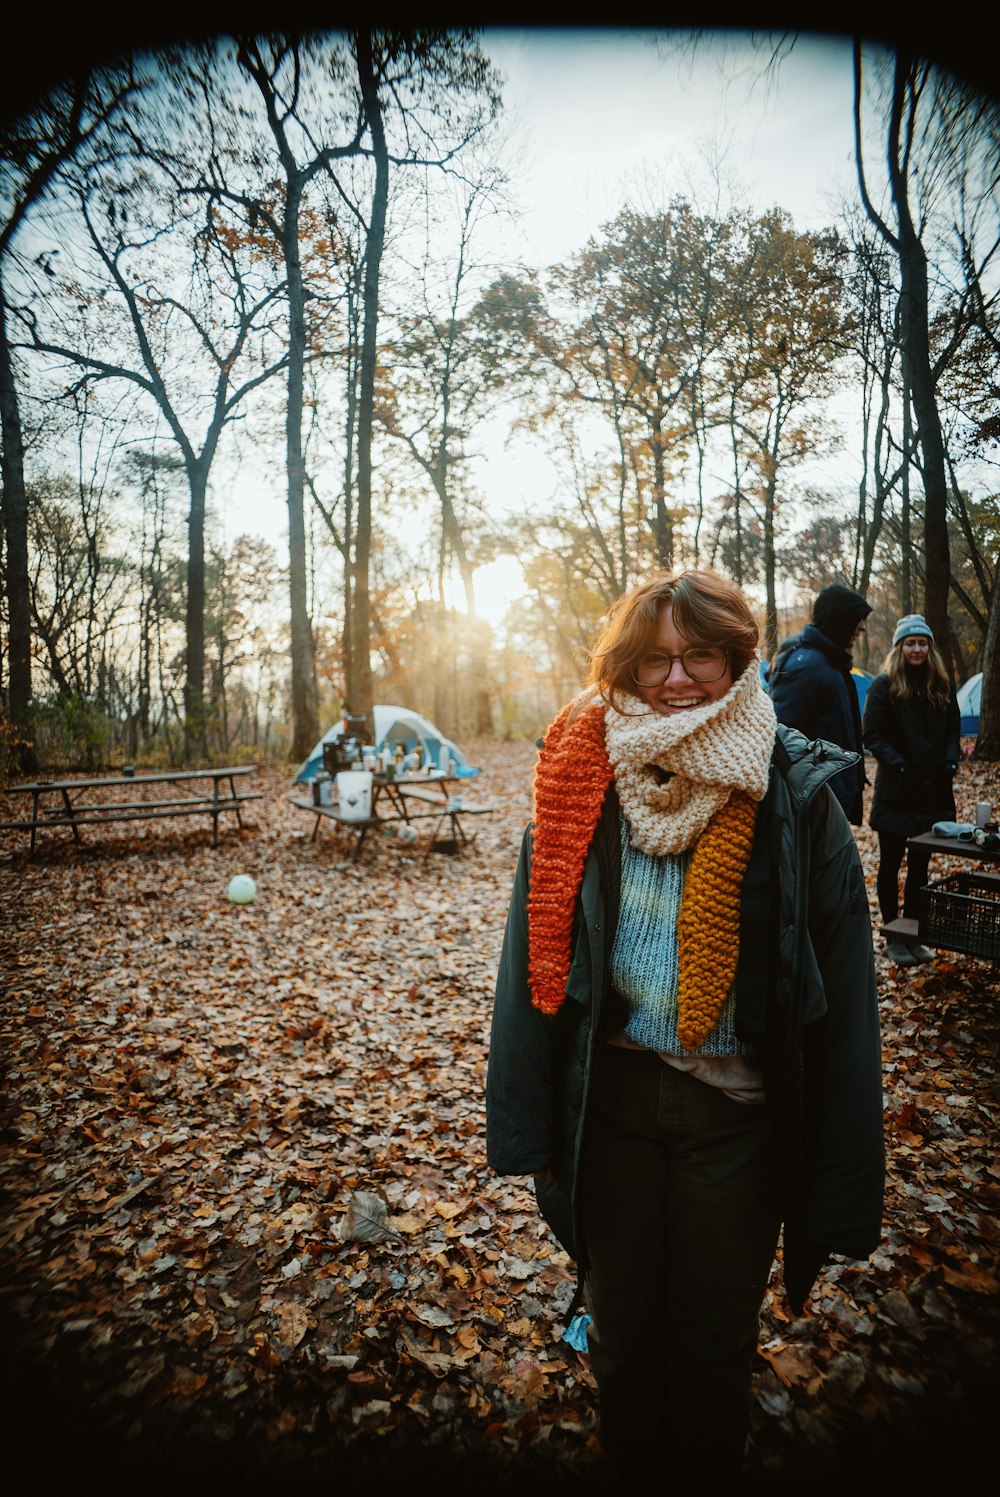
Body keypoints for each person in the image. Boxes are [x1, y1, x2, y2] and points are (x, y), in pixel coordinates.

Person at [486, 570, 884, 1486]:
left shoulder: (794, 784)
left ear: (736, 659)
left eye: (698, 654)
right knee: (624, 1342)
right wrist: (529, 1123)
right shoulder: (579, 771)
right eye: (655, 658)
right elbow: (530, 964)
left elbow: (843, 996)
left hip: (736, 1121)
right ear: (626, 665)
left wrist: (841, 1171)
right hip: (612, 1110)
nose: (676, 679)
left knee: (711, 1349)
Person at [862, 614, 961, 968]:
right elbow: (872, 735)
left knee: (921, 868)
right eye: (910, 643)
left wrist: (951, 761)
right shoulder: (885, 685)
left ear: (929, 648)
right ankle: (893, 937)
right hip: (897, 793)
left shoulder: (940, 685)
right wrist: (899, 763)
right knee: (891, 866)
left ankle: (915, 935)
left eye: (922, 643)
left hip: (932, 794)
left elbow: (953, 729)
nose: (917, 649)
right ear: (900, 648)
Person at [768, 583, 872, 825]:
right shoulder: (807, 666)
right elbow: (779, 737)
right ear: (840, 620)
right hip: (816, 802)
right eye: (857, 619)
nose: (863, 627)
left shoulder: (828, 661)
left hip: (830, 797)